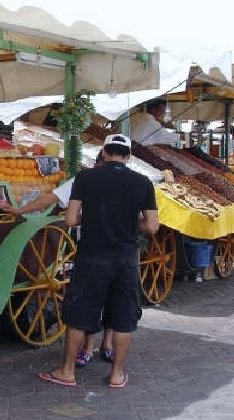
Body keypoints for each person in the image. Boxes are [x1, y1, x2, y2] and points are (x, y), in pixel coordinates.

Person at [38, 134, 159, 389]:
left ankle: (67, 371)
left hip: (91, 257)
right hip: (125, 259)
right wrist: (130, 221)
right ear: (128, 156)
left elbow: (70, 220)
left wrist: (92, 217)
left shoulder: (86, 178)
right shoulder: (142, 182)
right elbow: (152, 226)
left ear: (104, 153)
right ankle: (116, 375)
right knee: (124, 317)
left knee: (80, 314)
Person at [0, 151, 114, 367]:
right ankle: (90, 347)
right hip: (94, 247)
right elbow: (50, 198)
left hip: (111, 248)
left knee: (108, 297)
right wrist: (20, 209)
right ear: (98, 164)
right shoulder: (83, 181)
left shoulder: (126, 184)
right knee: (93, 298)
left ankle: (106, 344)